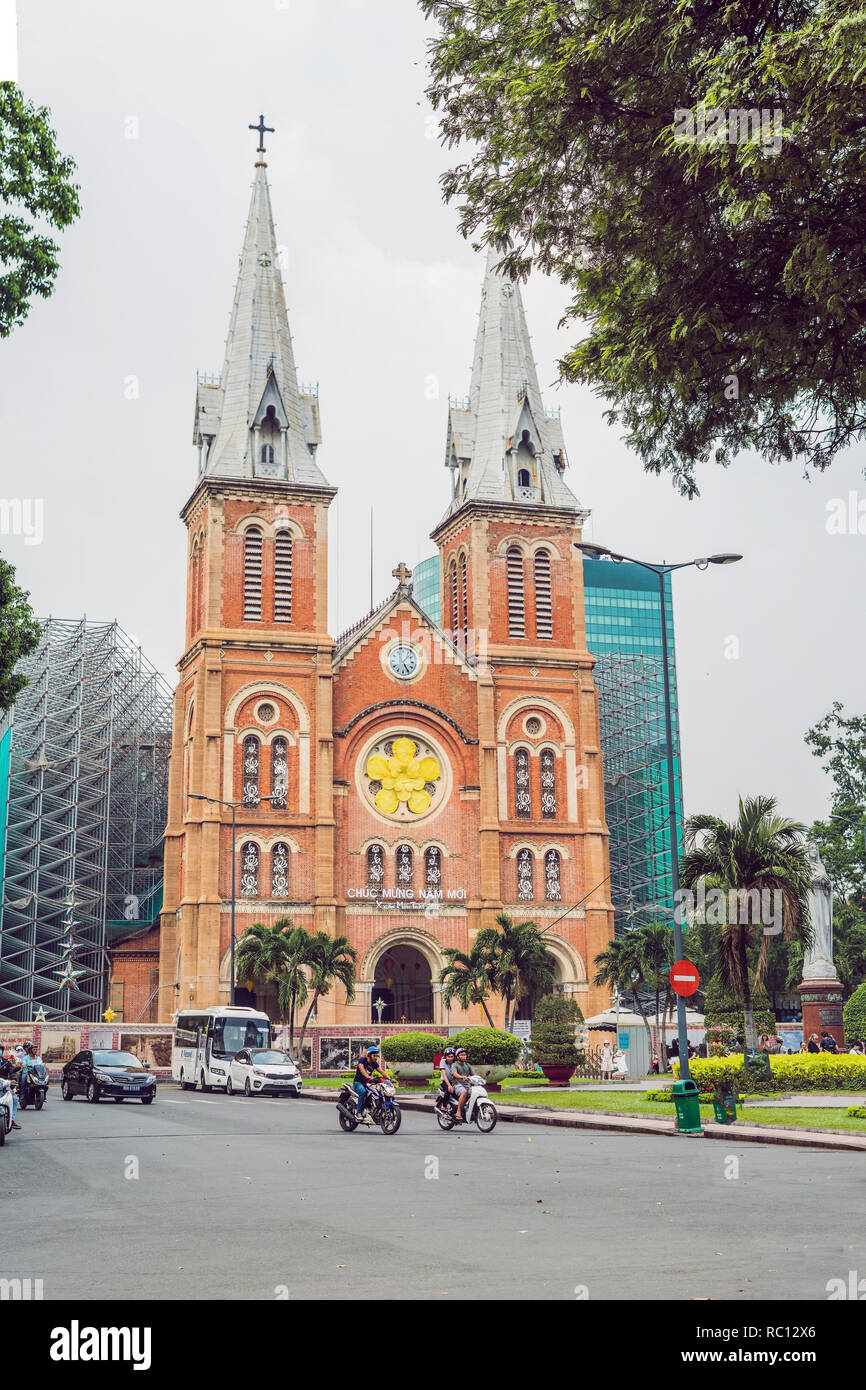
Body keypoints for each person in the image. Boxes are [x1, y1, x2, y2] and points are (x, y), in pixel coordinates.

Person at [352, 1043, 380, 1125]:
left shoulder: (374, 1064)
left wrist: (390, 1078)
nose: (376, 1057)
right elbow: (362, 1070)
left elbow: (381, 1071)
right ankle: (358, 1112)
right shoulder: (362, 1060)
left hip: (366, 1083)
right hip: (358, 1083)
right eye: (374, 1055)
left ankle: (370, 1110)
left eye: (376, 1056)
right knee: (363, 1092)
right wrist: (368, 1076)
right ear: (369, 1055)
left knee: (375, 1093)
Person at [0, 1043, 22, 1129]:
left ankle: (11, 1120)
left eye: (0, 1049)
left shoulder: (6, 1063)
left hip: (4, 1086)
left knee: (15, 1099)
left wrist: (14, 1079)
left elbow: (12, 1072)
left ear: (2, 1051)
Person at [451, 1046, 473, 1124]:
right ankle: (458, 1112)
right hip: (457, 1084)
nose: (464, 1056)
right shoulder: (455, 1065)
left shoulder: (468, 1065)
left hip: (466, 1084)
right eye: (462, 1055)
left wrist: (480, 1079)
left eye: (465, 1055)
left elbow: (473, 1075)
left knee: (475, 1093)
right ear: (457, 1056)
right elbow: (454, 1074)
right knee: (464, 1092)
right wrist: (462, 1077)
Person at [437, 1046, 458, 1115]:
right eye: (448, 1056)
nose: (450, 1058)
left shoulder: (456, 1063)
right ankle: (444, 1105)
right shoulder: (442, 1062)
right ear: (445, 1057)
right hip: (445, 1081)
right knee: (448, 1090)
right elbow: (444, 1074)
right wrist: (449, 1085)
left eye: (452, 1056)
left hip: (454, 1082)